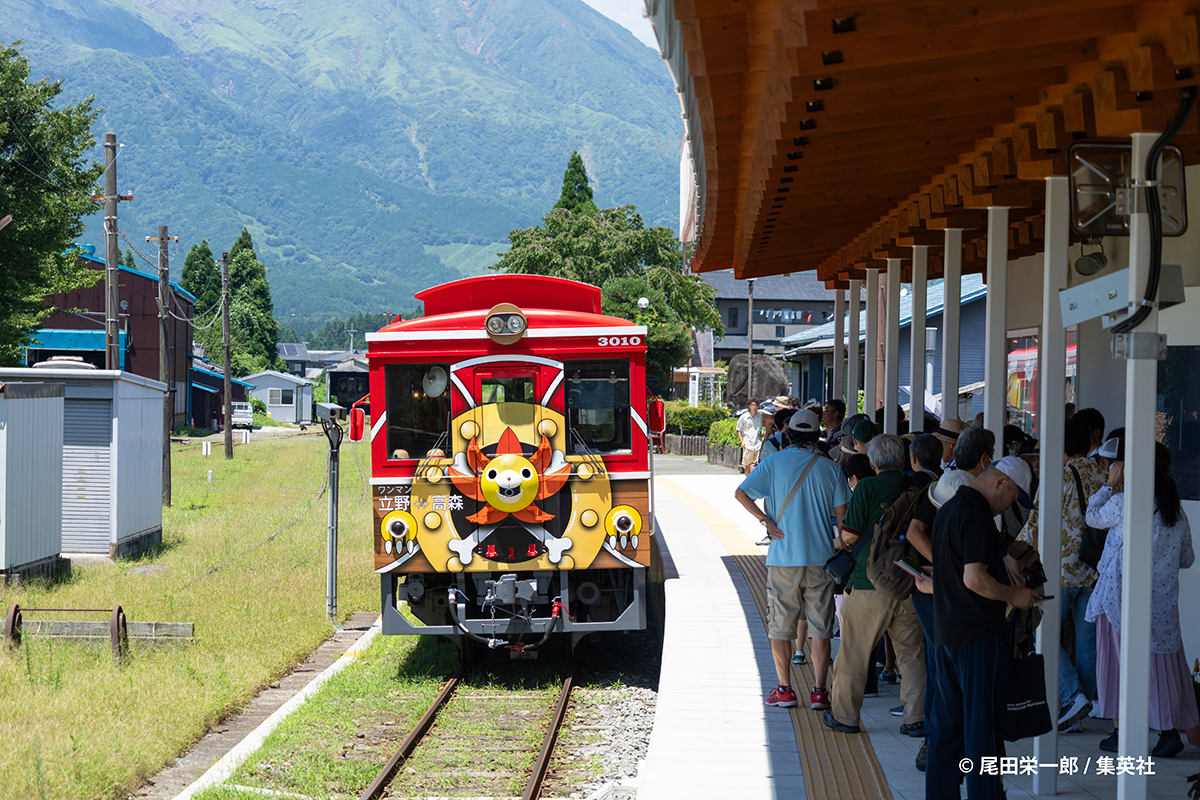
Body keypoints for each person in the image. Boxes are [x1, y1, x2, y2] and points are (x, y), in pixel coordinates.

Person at [926, 468, 1042, 800]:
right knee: (983, 732)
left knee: (947, 728)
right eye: (1011, 499)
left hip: (947, 633)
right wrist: (1013, 595)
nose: (1007, 507)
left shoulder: (949, 509)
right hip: (977, 637)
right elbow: (974, 579)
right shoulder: (976, 515)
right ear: (1000, 482)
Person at [1084, 442, 1198, 758]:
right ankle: (1166, 731)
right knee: (1161, 667)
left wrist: (1108, 485)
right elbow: (1187, 558)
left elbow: (1091, 517)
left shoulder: (1123, 502)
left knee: (1120, 664)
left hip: (1120, 597)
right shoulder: (1175, 509)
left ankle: (1123, 732)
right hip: (1161, 602)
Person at [735, 409, 851, 711]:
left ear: (789, 435)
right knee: (821, 628)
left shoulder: (773, 463)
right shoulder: (831, 469)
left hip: (783, 559)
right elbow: (843, 520)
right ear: (816, 436)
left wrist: (765, 521)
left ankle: (785, 690)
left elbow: (741, 493)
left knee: (780, 627)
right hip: (821, 560)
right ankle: (818, 691)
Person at [902, 425, 996, 772]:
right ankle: (935, 744)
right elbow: (914, 532)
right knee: (943, 669)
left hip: (942, 592)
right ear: (985, 458)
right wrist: (947, 573)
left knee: (943, 668)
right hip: (938, 592)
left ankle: (943, 748)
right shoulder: (955, 487)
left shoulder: (950, 482)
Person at [823, 434, 927, 737]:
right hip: (907, 581)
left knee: (854, 652)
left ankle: (845, 716)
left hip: (868, 583)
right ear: (904, 460)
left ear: (871, 462)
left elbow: (851, 536)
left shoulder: (867, 486)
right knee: (911, 656)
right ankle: (915, 718)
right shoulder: (918, 488)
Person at [1017, 416, 1106, 732]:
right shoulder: (1103, 473)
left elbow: (1035, 523)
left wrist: (1016, 554)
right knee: (1087, 642)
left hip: (1060, 569)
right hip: (1095, 569)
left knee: (1043, 633)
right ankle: (1078, 708)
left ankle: (1072, 697)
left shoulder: (1058, 476)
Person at [736, 399, 764, 474]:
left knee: (758, 463)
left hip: (758, 442)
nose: (754, 407)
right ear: (749, 406)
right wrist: (742, 441)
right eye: (752, 405)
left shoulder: (760, 416)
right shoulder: (744, 417)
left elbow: (767, 426)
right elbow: (738, 429)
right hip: (747, 443)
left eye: (755, 405)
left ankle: (755, 481)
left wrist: (763, 435)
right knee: (746, 464)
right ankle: (747, 480)